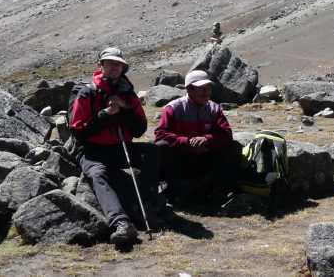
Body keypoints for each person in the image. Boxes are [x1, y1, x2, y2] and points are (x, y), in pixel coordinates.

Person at [69, 47, 147, 245]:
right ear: (100, 65)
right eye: (110, 63)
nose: (114, 67)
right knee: (97, 174)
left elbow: (140, 129)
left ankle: (158, 203)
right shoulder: (87, 92)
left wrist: (124, 109)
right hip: (92, 150)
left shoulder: (128, 94)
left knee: (154, 153)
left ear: (123, 68)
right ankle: (121, 223)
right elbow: (78, 131)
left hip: (120, 148)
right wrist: (104, 116)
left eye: (118, 64)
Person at [154, 70, 239, 205]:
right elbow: (161, 134)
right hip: (181, 159)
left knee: (232, 146)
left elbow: (226, 134)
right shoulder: (173, 108)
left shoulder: (214, 109)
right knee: (161, 147)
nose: (206, 92)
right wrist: (187, 142)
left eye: (208, 88)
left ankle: (222, 191)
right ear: (189, 89)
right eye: (201, 89)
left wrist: (207, 139)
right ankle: (171, 191)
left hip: (205, 156)